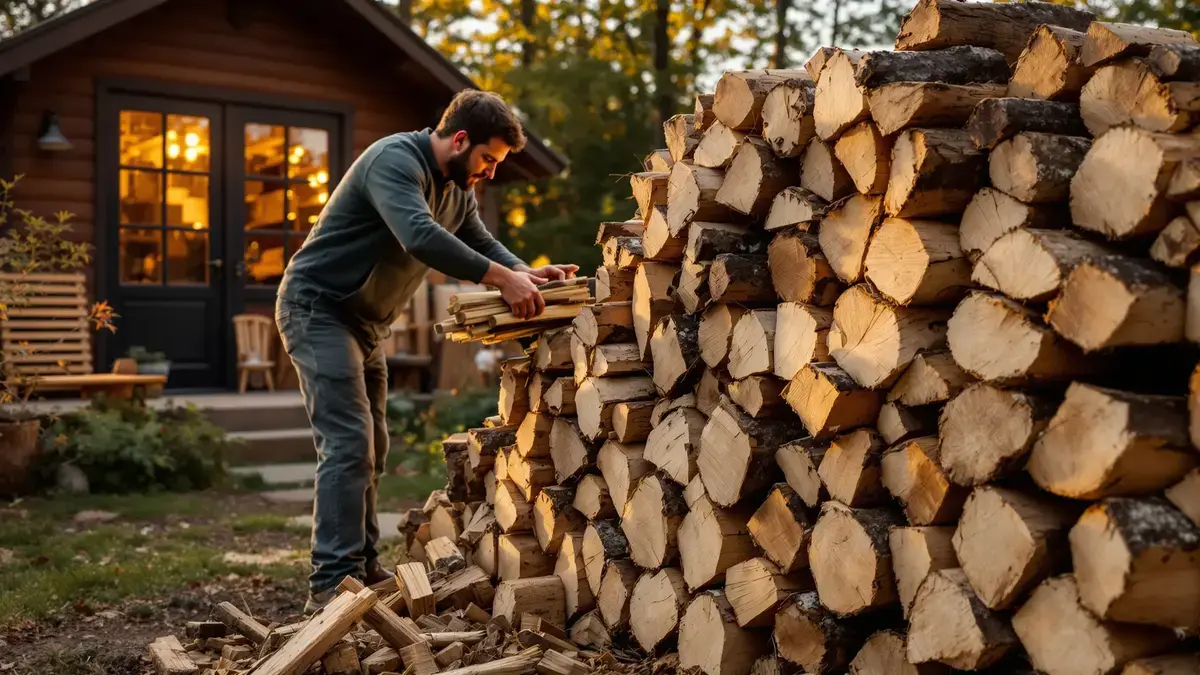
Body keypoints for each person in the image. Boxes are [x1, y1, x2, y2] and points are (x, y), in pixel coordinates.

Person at [275, 89, 577, 613]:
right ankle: (330, 584)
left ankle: (361, 566)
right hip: (317, 309)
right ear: (460, 139)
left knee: (375, 446)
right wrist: (504, 280)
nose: (488, 172)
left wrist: (526, 272)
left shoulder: (457, 189)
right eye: (486, 159)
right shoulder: (394, 161)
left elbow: (482, 243)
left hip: (363, 322)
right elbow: (418, 236)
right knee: (348, 445)